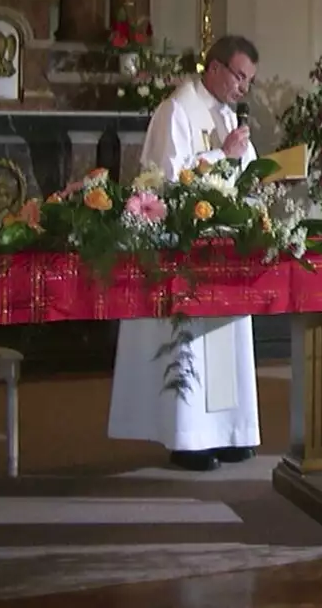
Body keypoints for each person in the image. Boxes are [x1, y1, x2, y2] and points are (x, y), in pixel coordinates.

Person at [107, 36, 261, 472]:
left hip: (224, 243)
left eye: (248, 80)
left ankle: (229, 433)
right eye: (238, 76)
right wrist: (222, 154)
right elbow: (166, 181)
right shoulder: (176, 109)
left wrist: (259, 173)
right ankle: (188, 438)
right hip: (182, 247)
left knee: (224, 337)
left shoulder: (226, 112)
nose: (243, 88)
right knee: (190, 343)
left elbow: (240, 167)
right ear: (213, 68)